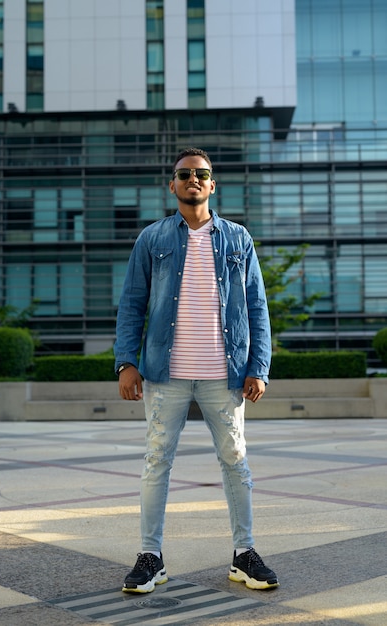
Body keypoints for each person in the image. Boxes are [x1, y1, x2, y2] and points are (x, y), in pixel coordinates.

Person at [114, 147, 278, 593]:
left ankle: (244, 553)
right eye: (184, 174)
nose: (193, 180)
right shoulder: (152, 238)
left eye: (201, 174)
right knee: (156, 462)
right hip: (164, 375)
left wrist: (258, 366)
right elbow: (131, 303)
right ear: (173, 185)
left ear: (212, 183)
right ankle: (151, 556)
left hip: (224, 376)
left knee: (236, 463)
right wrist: (126, 362)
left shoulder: (238, 239)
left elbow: (257, 307)